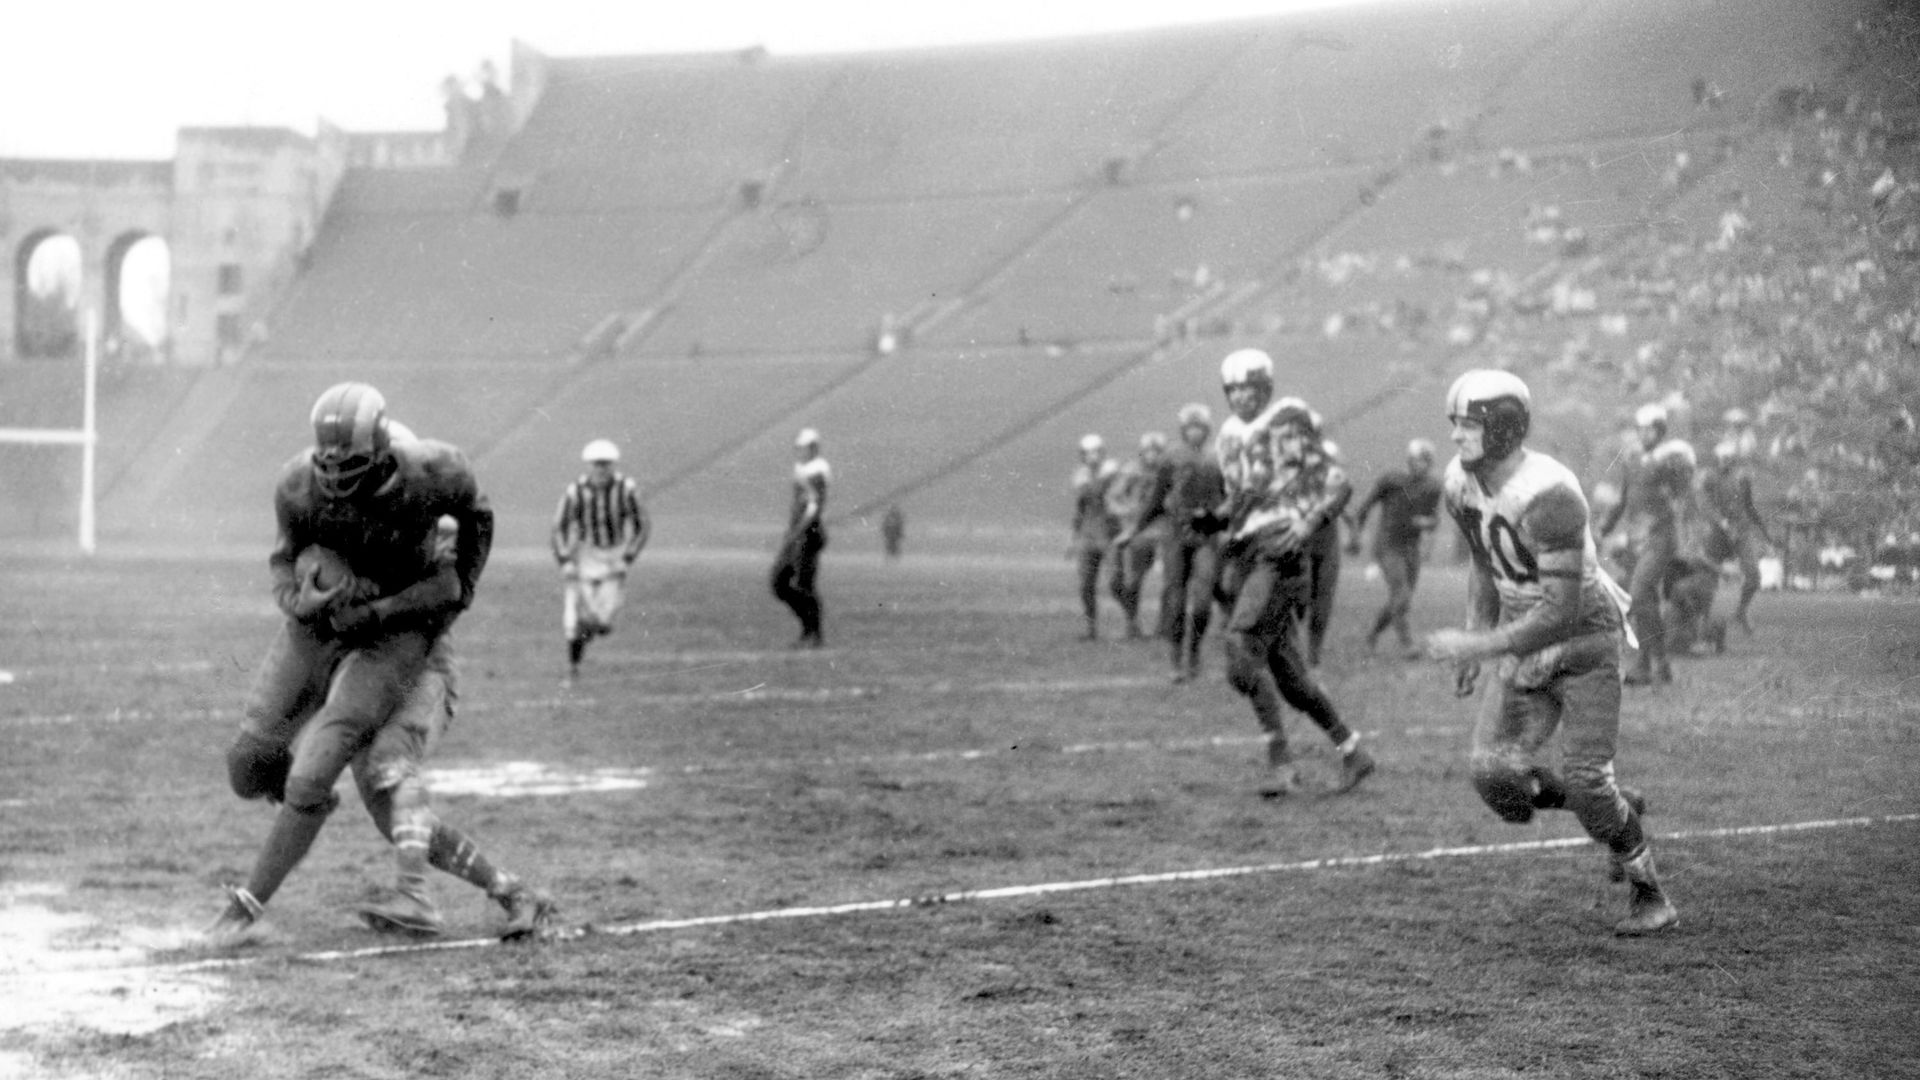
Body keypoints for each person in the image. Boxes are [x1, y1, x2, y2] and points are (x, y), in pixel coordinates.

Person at [209, 382, 553, 945]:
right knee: (255, 765)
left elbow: (447, 584)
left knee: (384, 773)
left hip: (413, 656)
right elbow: (283, 561)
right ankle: (510, 892)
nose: (341, 485)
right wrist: (308, 601)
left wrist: (379, 609)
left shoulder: (432, 506)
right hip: (344, 636)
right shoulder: (302, 488)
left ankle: (420, 896)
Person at [1424, 369, 1677, 936]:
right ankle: (1618, 806)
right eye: (1455, 425)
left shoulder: (1550, 495)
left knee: (1586, 779)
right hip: (1521, 632)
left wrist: (1481, 644)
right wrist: (1475, 628)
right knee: (1494, 778)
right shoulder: (1460, 484)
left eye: (1469, 425)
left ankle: (1650, 894)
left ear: (1504, 430)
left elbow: (1560, 611)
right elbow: (1486, 563)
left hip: (1583, 639)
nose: (1457, 437)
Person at [1212, 348, 1375, 797]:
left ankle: (1280, 762)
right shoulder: (1227, 436)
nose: (1242, 397)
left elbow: (1338, 483)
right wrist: (1214, 517)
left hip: (1280, 554)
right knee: (1292, 681)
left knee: (1239, 645)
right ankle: (1353, 751)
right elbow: (1242, 497)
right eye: (1234, 389)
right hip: (1248, 553)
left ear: (1266, 388)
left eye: (1250, 388)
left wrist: (1304, 524)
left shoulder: (1289, 419)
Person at [1117, 404, 1226, 682]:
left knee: (1201, 602)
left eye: (1199, 426)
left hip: (1206, 536)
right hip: (1176, 535)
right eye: (1190, 426)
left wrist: (1223, 523)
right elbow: (1155, 500)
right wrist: (1134, 530)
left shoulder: (1219, 457)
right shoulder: (1170, 458)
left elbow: (1229, 500)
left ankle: (1194, 651)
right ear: (1182, 429)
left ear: (1207, 428)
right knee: (1175, 601)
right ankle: (1176, 660)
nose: (1195, 432)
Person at [1598, 403, 1698, 685]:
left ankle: (1646, 665)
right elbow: (1622, 499)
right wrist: (1604, 527)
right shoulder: (1631, 460)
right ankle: (1659, 664)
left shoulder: (1670, 460)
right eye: (1640, 429)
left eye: (1650, 429)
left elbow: (1684, 493)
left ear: (1660, 431)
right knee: (1645, 601)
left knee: (1639, 593)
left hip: (1661, 537)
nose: (1644, 434)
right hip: (1636, 539)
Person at [551, 439, 651, 674]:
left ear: (613, 465)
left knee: (603, 620)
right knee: (575, 612)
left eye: (606, 464)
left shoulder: (626, 489)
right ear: (589, 465)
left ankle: (589, 632)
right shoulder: (575, 490)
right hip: (585, 554)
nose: (601, 469)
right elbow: (559, 527)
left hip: (614, 554)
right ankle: (573, 664)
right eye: (597, 464)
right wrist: (565, 560)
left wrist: (627, 558)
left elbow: (642, 525)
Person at [1347, 439, 1444, 656]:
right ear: (1410, 460)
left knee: (1402, 599)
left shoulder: (1433, 487)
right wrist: (1355, 536)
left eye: (1427, 461)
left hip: (1411, 547)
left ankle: (1373, 632)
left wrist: (1426, 524)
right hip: (1388, 544)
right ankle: (1408, 643)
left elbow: (1434, 519)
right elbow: (1363, 508)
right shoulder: (1392, 479)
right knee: (1401, 594)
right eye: (1420, 459)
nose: (1423, 465)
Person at [1697, 438, 1772, 634]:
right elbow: (1705, 505)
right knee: (1707, 576)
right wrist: (1720, 521)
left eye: (1728, 458)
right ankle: (1703, 617)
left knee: (1754, 575)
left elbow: (1748, 506)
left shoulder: (1742, 478)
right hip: (1718, 532)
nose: (1724, 462)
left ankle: (1741, 611)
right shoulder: (1709, 477)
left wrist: (1763, 530)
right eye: (1722, 458)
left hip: (1740, 530)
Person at [772, 427, 830, 647]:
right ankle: (809, 629)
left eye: (803, 448)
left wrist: (797, 531)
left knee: (804, 585)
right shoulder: (803, 468)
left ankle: (813, 633)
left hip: (808, 533)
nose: (799, 452)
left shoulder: (817, 470)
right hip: (796, 533)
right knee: (780, 582)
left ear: (813, 448)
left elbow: (814, 506)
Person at [1107, 432, 1169, 639]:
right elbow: (1114, 498)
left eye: (1156, 451)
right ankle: (1132, 621)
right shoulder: (1131, 471)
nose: (1152, 456)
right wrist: (1129, 512)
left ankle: (1163, 625)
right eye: (1148, 451)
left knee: (1170, 580)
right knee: (1130, 581)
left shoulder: (1167, 472)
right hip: (1136, 532)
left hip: (1161, 530)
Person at [1069, 433, 1124, 640]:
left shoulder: (1112, 471)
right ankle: (1091, 627)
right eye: (1087, 453)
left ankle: (1131, 619)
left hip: (1109, 533)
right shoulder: (1081, 476)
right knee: (1085, 584)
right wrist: (1073, 536)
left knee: (1116, 582)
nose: (1092, 457)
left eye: (1096, 452)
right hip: (1088, 533)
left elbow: (1106, 493)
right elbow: (1080, 508)